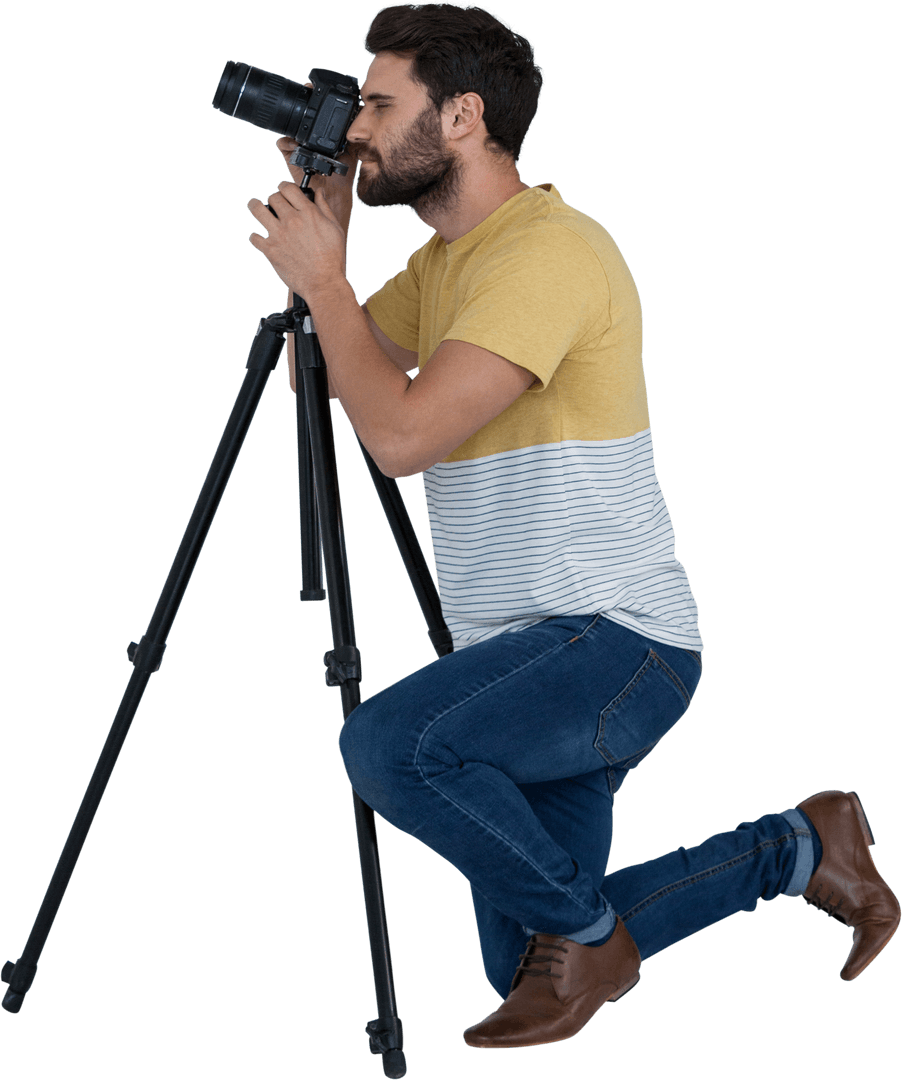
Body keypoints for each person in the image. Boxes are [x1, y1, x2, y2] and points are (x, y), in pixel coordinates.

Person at [246, 2, 899, 1050]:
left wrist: (326, 278)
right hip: (524, 652)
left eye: (378, 104)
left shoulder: (545, 255)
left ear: (459, 117)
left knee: (386, 745)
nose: (358, 125)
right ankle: (798, 846)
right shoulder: (447, 263)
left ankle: (595, 934)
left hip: (613, 642)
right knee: (525, 965)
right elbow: (322, 375)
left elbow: (401, 438)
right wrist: (334, 244)